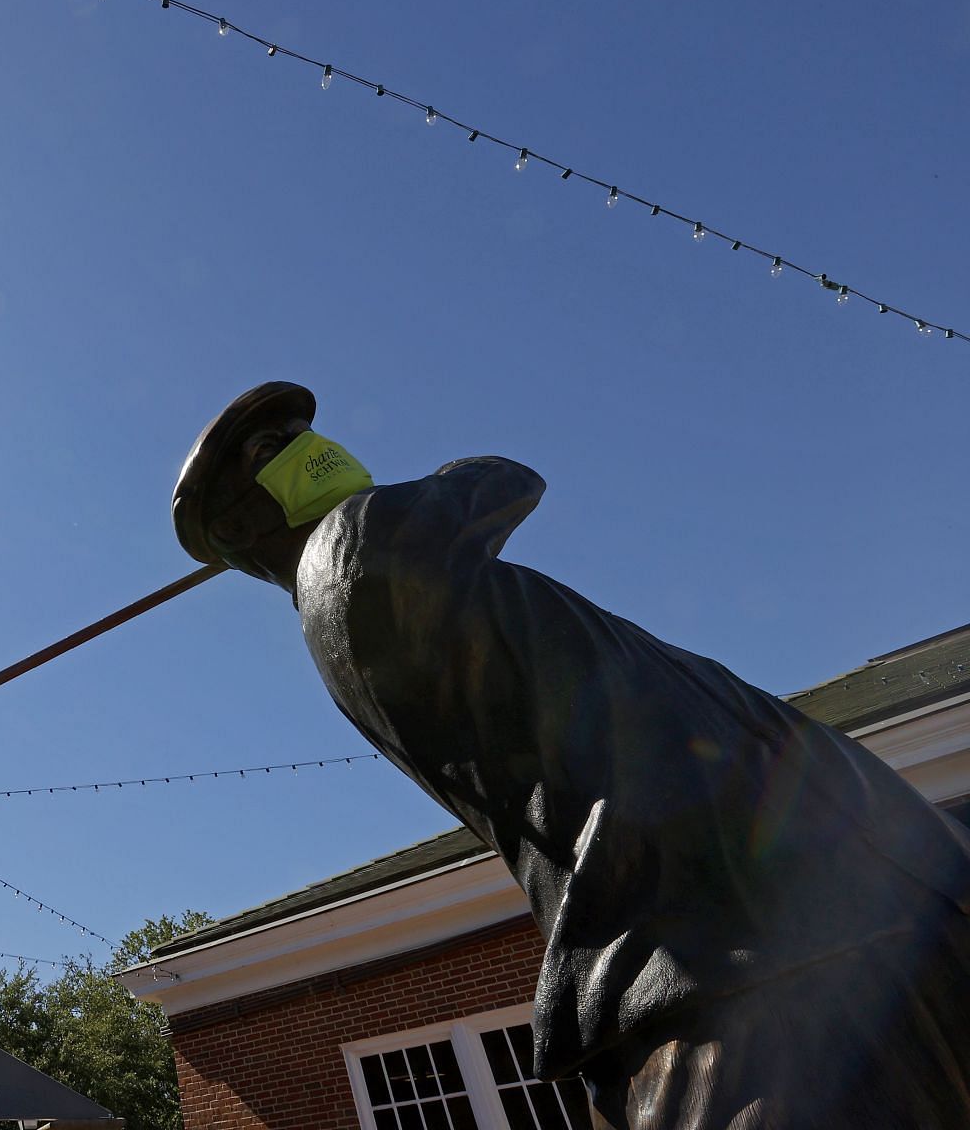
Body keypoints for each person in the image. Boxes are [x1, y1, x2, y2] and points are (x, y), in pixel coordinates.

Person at [172, 381, 970, 1130]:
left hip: (848, 920)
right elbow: (502, 478)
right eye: (275, 445)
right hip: (745, 962)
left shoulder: (411, 582)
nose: (313, 445)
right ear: (240, 527)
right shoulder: (348, 553)